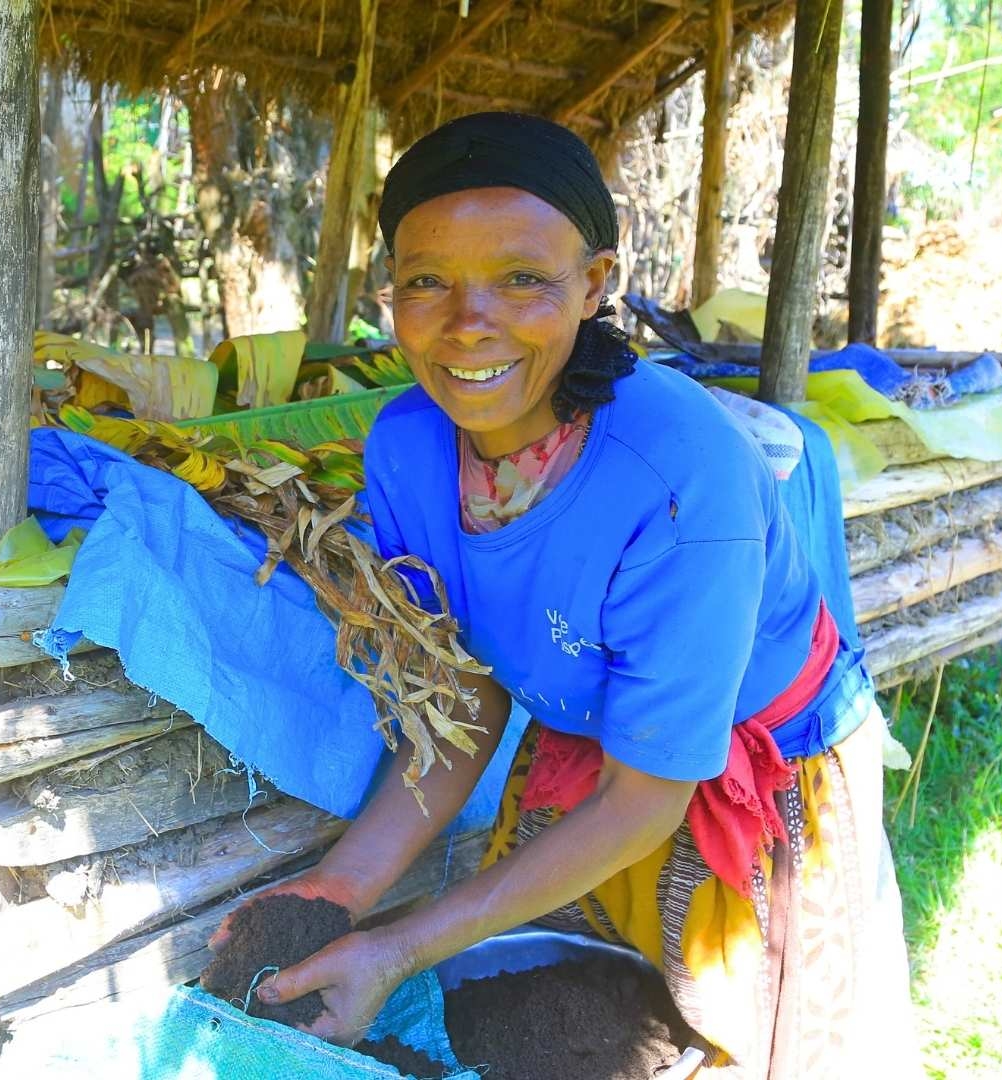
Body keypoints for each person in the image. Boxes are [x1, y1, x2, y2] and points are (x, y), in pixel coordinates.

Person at [226, 112, 913, 1076]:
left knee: (754, 1041)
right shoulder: (407, 449)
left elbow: (646, 799)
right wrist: (340, 890)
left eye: (522, 279)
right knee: (577, 1011)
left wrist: (402, 942)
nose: (470, 323)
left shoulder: (677, 483)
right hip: (594, 750)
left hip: (757, 773)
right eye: (429, 281)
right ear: (391, 297)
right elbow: (467, 693)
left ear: (595, 285)